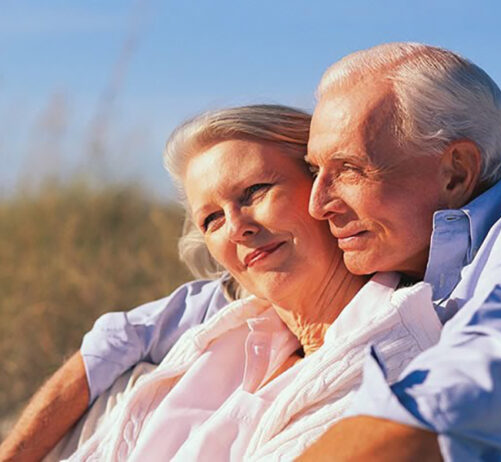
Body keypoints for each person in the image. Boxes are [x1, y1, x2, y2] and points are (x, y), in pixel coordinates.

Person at [43, 105, 440, 461]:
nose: (236, 228)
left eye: (254, 192)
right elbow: (121, 337)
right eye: (211, 219)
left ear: (325, 188)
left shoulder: (396, 361)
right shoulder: (218, 338)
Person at [299, 42, 501, 460]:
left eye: (350, 169)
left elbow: (465, 397)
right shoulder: (400, 249)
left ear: (456, 172)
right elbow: (202, 304)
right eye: (316, 171)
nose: (317, 206)